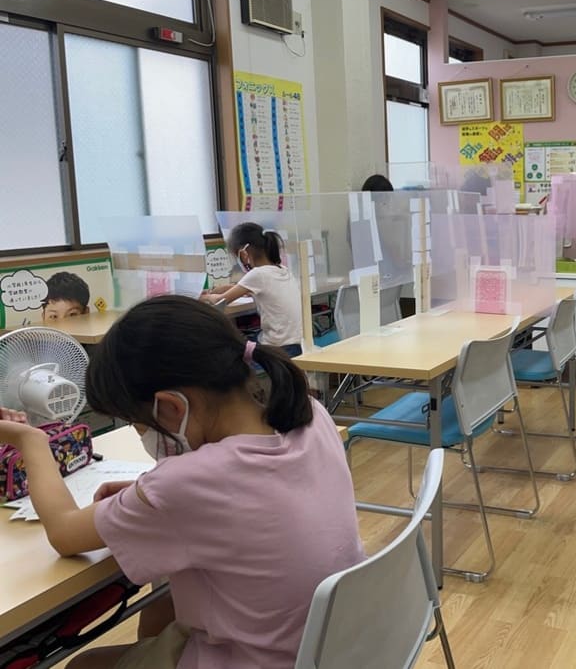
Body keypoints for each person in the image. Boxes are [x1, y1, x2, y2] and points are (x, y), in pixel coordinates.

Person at [0, 296, 365, 668]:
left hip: (262, 660)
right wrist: (150, 495)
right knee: (164, 605)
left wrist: (31, 441)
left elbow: (64, 532)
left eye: (138, 424)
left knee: (85, 664)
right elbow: (244, 494)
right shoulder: (310, 415)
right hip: (332, 646)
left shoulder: (184, 484)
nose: (142, 434)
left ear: (172, 407)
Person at [203, 222, 304, 357]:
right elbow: (248, 289)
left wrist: (203, 296)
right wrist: (222, 289)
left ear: (244, 253)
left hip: (278, 347)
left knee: (233, 347)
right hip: (297, 344)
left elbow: (220, 301)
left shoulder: (258, 274)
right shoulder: (282, 270)